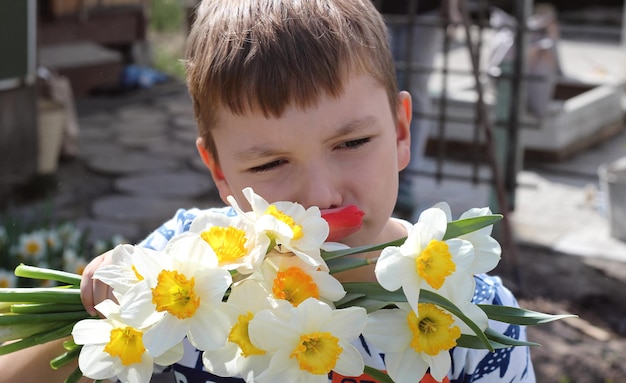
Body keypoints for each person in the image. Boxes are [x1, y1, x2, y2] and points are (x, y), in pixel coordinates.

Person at [0, 1, 535, 382]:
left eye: (351, 142)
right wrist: (95, 310)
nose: (320, 195)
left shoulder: (473, 314)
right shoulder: (182, 267)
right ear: (220, 171)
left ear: (399, 132)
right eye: (272, 162)